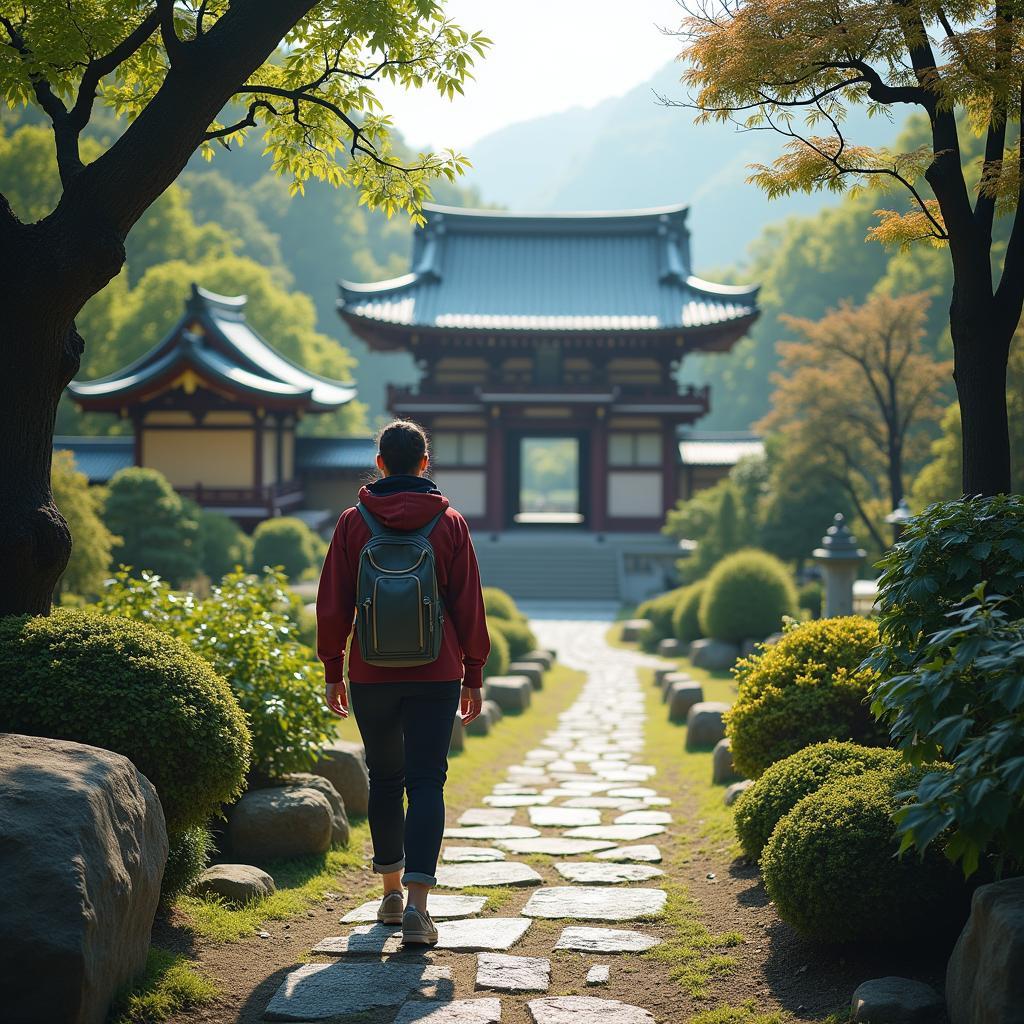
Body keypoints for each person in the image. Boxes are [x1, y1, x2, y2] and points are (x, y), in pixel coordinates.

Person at [316, 419, 489, 945]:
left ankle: (389, 893)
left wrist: (332, 670)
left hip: (370, 672)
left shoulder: (353, 522)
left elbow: (333, 603)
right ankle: (418, 907)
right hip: (437, 673)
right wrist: (473, 674)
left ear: (381, 464)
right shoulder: (450, 523)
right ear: (425, 463)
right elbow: (468, 604)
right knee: (426, 781)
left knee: (386, 780)